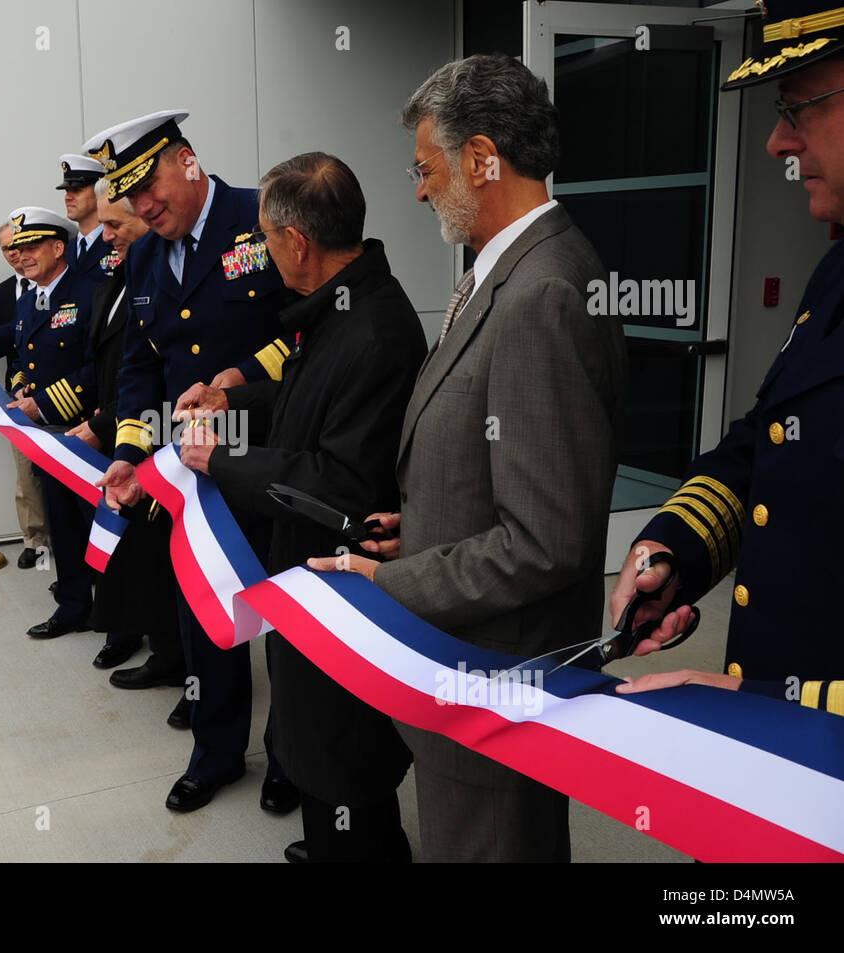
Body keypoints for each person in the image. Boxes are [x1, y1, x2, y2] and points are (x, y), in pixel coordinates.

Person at [309, 55, 628, 861]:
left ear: (483, 157)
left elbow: (545, 541)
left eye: (426, 168)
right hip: (468, 675)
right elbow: (492, 468)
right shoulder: (506, 271)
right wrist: (415, 525)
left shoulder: (543, 293)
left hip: (496, 684)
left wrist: (397, 580)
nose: (418, 191)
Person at [178, 152, 426, 861]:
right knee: (315, 746)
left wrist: (220, 459)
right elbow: (300, 403)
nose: (258, 250)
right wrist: (232, 400)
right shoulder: (341, 305)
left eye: (264, 236)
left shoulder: (371, 330)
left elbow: (337, 485)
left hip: (343, 588)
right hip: (309, 584)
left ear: (297, 243)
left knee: (343, 756)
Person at [611, 1, 844, 717]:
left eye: (798, 109)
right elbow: (769, 441)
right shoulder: (835, 270)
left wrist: (778, 700)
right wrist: (673, 552)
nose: (778, 142)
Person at [89, 109, 298, 814]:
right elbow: (141, 371)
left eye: (151, 186)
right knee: (207, 615)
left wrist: (236, 382)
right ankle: (216, 753)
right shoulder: (143, 256)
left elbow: (307, 333)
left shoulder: (262, 218)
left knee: (286, 617)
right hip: (195, 475)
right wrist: (127, 452)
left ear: (187, 160)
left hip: (271, 457)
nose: (145, 206)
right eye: (131, 197)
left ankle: (291, 758)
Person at [0, 207, 97, 638]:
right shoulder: (27, 297)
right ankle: (74, 606)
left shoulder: (90, 291)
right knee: (64, 528)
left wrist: (44, 402)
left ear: (59, 247)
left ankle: (116, 619)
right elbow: (23, 346)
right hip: (47, 435)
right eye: (17, 249)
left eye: (31, 246)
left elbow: (101, 367)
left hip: (85, 433)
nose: (21, 256)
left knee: (98, 529)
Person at [64, 177, 182, 674]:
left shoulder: (157, 270)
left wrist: (107, 423)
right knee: (136, 551)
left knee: (161, 554)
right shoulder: (122, 275)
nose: (106, 235)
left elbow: (155, 367)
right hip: (131, 432)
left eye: (115, 224)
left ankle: (176, 660)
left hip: (163, 430)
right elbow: (119, 364)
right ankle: (155, 647)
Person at [0, 221, 50, 569]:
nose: (16, 254)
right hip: (19, 390)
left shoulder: (61, 284)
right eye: (8, 248)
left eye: (20, 245)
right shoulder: (2, 293)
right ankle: (36, 541)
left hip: (62, 392)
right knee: (26, 473)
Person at [58, 153, 114, 298]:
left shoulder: (117, 241)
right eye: (66, 190)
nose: (68, 197)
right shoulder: (64, 250)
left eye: (77, 190)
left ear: (98, 191)